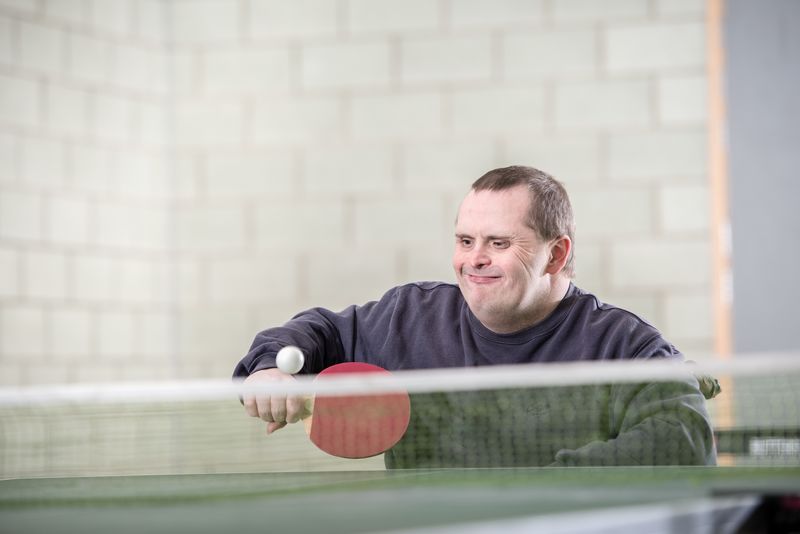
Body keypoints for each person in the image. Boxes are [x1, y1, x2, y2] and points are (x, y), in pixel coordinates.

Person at [234, 165, 717, 468]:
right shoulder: (409, 316)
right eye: (465, 241)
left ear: (555, 255)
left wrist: (531, 493)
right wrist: (270, 366)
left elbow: (683, 442)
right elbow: (318, 330)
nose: (474, 259)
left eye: (499, 243)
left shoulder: (622, 343)